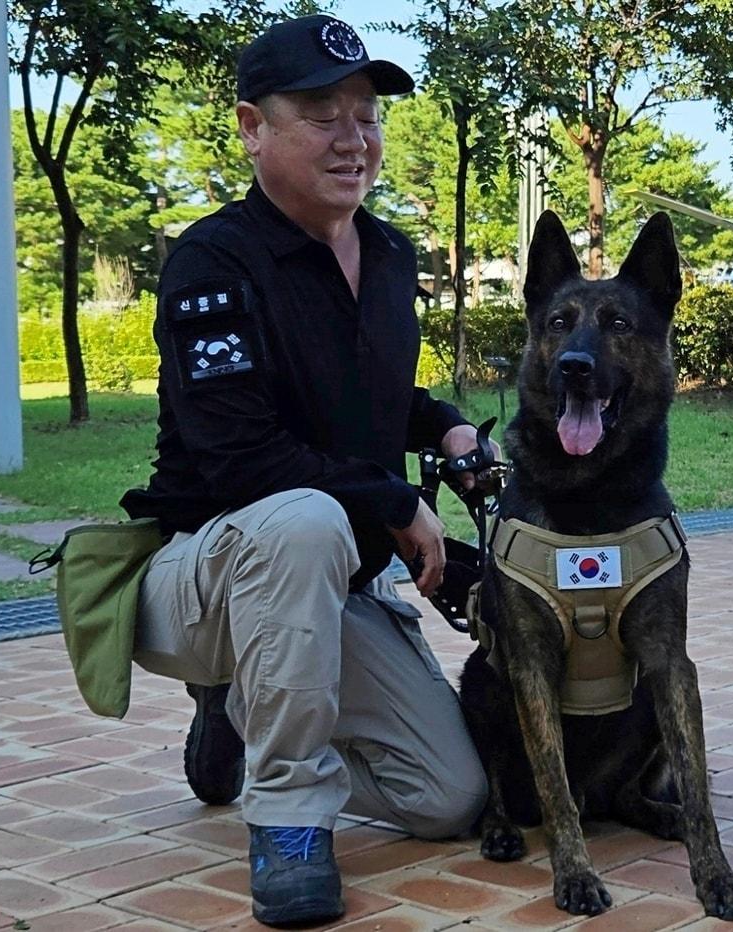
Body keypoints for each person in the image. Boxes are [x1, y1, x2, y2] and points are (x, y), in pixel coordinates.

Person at [119, 15, 487, 927]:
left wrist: (441, 427)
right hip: (207, 569)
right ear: (253, 127)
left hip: (321, 587)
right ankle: (287, 822)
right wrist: (396, 502)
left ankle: (247, 716)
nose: (353, 138)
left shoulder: (391, 254)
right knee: (304, 517)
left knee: (447, 798)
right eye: (321, 114)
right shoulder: (213, 259)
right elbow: (240, 454)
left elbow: (368, 391)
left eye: (365, 114)